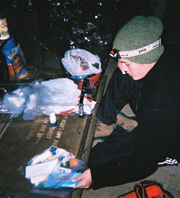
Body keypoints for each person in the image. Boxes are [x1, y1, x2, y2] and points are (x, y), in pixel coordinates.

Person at [71, 15, 180, 189]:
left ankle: (124, 139)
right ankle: (104, 118)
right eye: (119, 61)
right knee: (124, 77)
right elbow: (125, 71)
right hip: (155, 107)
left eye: (126, 63)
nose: (121, 68)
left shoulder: (159, 107)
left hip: (171, 141)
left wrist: (96, 176)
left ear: (146, 57)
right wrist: (127, 65)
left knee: (95, 161)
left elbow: (144, 163)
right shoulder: (166, 51)